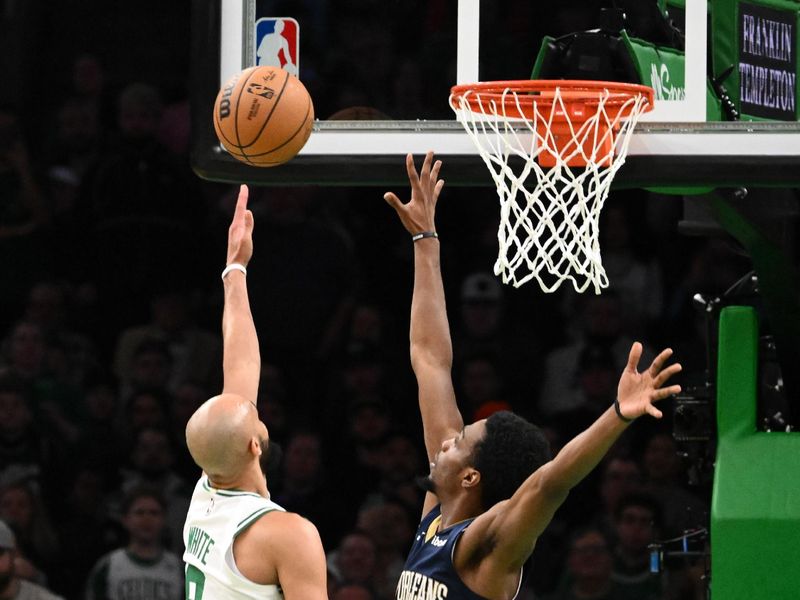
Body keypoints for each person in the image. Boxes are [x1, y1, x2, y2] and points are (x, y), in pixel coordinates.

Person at [383, 152, 682, 600]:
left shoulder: (488, 546)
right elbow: (429, 359)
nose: (446, 441)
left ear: (470, 477)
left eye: (460, 441)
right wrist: (426, 240)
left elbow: (550, 482)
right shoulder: (437, 513)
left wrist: (618, 414)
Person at [182, 185, 327, 599]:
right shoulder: (288, 535)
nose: (253, 403)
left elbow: (241, 364)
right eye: (252, 412)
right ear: (254, 446)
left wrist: (236, 268)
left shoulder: (205, 493)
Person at [85, 486, 182, 600]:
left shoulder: (178, 568)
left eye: (154, 513)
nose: (147, 519)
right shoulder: (108, 567)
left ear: (164, 519)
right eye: (139, 512)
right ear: (125, 519)